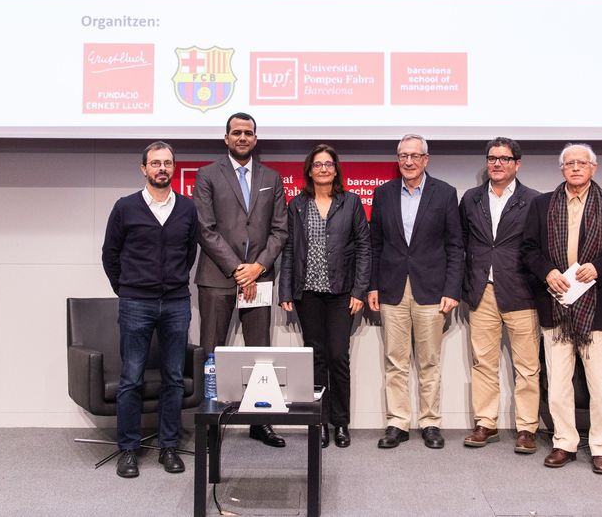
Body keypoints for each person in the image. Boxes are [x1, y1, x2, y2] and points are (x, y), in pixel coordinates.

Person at [520, 143, 602, 475]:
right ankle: (564, 443)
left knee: (600, 383)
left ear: (593, 167)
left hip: (597, 308)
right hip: (555, 307)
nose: (575, 168)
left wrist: (599, 267)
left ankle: (601, 448)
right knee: (557, 382)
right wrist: (547, 272)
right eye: (568, 163)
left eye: (581, 163)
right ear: (561, 169)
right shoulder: (542, 204)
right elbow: (528, 250)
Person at [101, 141, 199, 478]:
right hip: (135, 303)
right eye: (155, 163)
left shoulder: (186, 208)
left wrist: (171, 283)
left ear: (173, 168)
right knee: (132, 377)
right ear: (143, 169)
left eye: (167, 163)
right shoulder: (125, 207)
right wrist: (127, 288)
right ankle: (128, 450)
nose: (161, 168)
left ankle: (168, 446)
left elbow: (189, 253)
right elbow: (109, 255)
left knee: (173, 377)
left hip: (175, 302)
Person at [193, 112, 290, 448]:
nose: (242, 138)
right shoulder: (207, 176)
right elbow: (205, 229)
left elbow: (280, 230)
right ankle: (211, 425)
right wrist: (238, 268)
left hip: (259, 278)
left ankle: (259, 422)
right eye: (236, 133)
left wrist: (257, 267)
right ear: (226, 138)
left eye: (248, 133)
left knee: (259, 354)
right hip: (217, 276)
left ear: (255, 138)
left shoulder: (272, 178)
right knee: (212, 353)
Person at [367, 134, 464, 449]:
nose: (408, 161)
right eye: (403, 155)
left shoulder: (445, 193)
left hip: (432, 290)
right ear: (398, 159)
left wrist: (452, 289)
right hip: (392, 289)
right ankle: (397, 422)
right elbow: (375, 244)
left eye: (414, 156)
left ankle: (430, 422)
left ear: (426, 159)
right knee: (395, 360)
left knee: (429, 361)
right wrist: (373, 285)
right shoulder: (382, 194)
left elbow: (455, 246)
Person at [278, 144, 371, 449]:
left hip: (341, 293)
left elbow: (363, 248)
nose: (323, 169)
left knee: (337, 357)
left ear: (336, 169)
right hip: (308, 294)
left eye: (328, 164)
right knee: (315, 358)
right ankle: (318, 422)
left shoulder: (351, 202)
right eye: (317, 164)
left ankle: (340, 422)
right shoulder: (298, 205)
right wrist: (286, 289)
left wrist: (359, 290)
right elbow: (290, 249)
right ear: (309, 170)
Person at [459, 137, 542, 454]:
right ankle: (486, 423)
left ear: (517, 164)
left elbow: (537, 248)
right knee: (483, 363)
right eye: (492, 158)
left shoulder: (533, 200)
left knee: (527, 366)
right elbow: (461, 244)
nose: (496, 163)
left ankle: (527, 429)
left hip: (521, 291)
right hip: (482, 292)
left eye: (504, 159)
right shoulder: (471, 199)